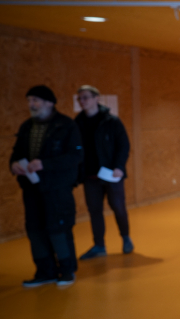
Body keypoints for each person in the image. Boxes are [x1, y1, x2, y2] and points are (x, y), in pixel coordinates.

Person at [9, 85, 84, 287]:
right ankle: (45, 271)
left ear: (49, 103)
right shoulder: (26, 127)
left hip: (57, 188)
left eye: (35, 100)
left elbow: (76, 155)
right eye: (29, 100)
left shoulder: (66, 125)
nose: (31, 104)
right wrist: (14, 164)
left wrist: (45, 164)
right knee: (35, 230)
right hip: (31, 188)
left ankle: (67, 270)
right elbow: (16, 152)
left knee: (58, 229)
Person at [74, 85, 133, 259]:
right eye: (79, 98)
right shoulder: (78, 123)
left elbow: (123, 145)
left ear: (96, 98)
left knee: (118, 207)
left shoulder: (111, 121)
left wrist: (119, 166)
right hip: (90, 175)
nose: (82, 101)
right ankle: (99, 245)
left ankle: (125, 238)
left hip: (111, 174)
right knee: (95, 211)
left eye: (85, 97)